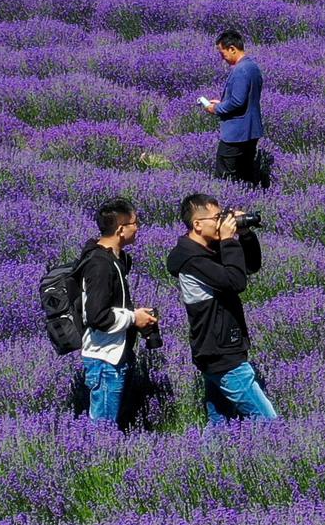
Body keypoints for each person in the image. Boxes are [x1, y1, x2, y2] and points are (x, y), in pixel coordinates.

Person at [166, 194, 280, 424]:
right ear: (197, 224)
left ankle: (209, 460)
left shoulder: (208, 249)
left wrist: (244, 234)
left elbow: (250, 266)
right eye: (217, 218)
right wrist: (228, 241)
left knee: (221, 425)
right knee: (269, 422)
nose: (221, 223)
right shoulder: (191, 260)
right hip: (221, 352)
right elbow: (236, 282)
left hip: (217, 348)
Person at [77, 197, 159, 426]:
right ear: (121, 229)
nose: (138, 228)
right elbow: (97, 316)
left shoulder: (115, 260)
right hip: (104, 358)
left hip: (115, 353)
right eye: (135, 223)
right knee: (102, 427)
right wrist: (134, 318)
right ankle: (98, 461)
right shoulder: (100, 265)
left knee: (109, 423)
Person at [197, 30, 266, 189]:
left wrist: (215, 108)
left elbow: (237, 102)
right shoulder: (253, 67)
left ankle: (229, 207)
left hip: (236, 134)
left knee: (225, 176)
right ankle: (247, 203)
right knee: (246, 174)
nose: (222, 58)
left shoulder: (240, 70)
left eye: (223, 53)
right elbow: (245, 98)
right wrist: (223, 102)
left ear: (233, 49)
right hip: (251, 131)